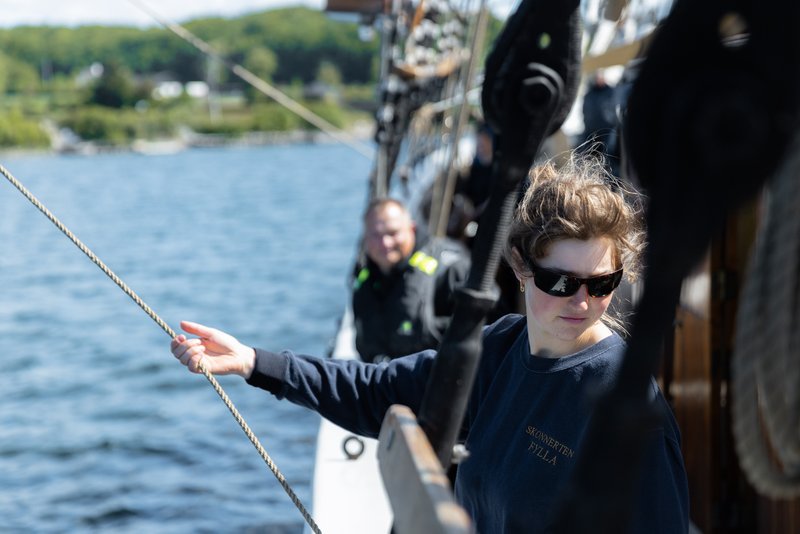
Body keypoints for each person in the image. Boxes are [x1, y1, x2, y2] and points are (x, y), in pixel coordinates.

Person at [170, 154, 689, 533]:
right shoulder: (502, 350)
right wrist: (254, 363)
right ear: (521, 269)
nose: (582, 300)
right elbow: (378, 391)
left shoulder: (627, 408)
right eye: (560, 282)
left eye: (602, 284)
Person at [350, 197, 470, 362]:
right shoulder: (363, 278)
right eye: (375, 235)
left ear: (412, 229)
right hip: (381, 382)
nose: (385, 243)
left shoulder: (451, 269)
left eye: (393, 233)